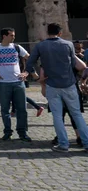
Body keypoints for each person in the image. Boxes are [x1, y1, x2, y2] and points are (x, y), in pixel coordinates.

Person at [27, 23, 88, 152]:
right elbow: (73, 63)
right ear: (60, 33)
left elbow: (30, 62)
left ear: (47, 32)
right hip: (69, 83)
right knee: (77, 114)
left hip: (52, 84)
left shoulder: (41, 46)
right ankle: (87, 142)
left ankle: (63, 144)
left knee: (57, 116)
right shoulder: (68, 45)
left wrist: (34, 76)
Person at [0, 28, 32, 142]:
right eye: (11, 35)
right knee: (5, 109)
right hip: (3, 83)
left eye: (13, 35)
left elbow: (30, 58)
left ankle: (22, 132)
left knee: (22, 109)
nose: (13, 37)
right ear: (4, 36)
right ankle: (7, 132)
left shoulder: (17, 47)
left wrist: (26, 72)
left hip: (18, 82)